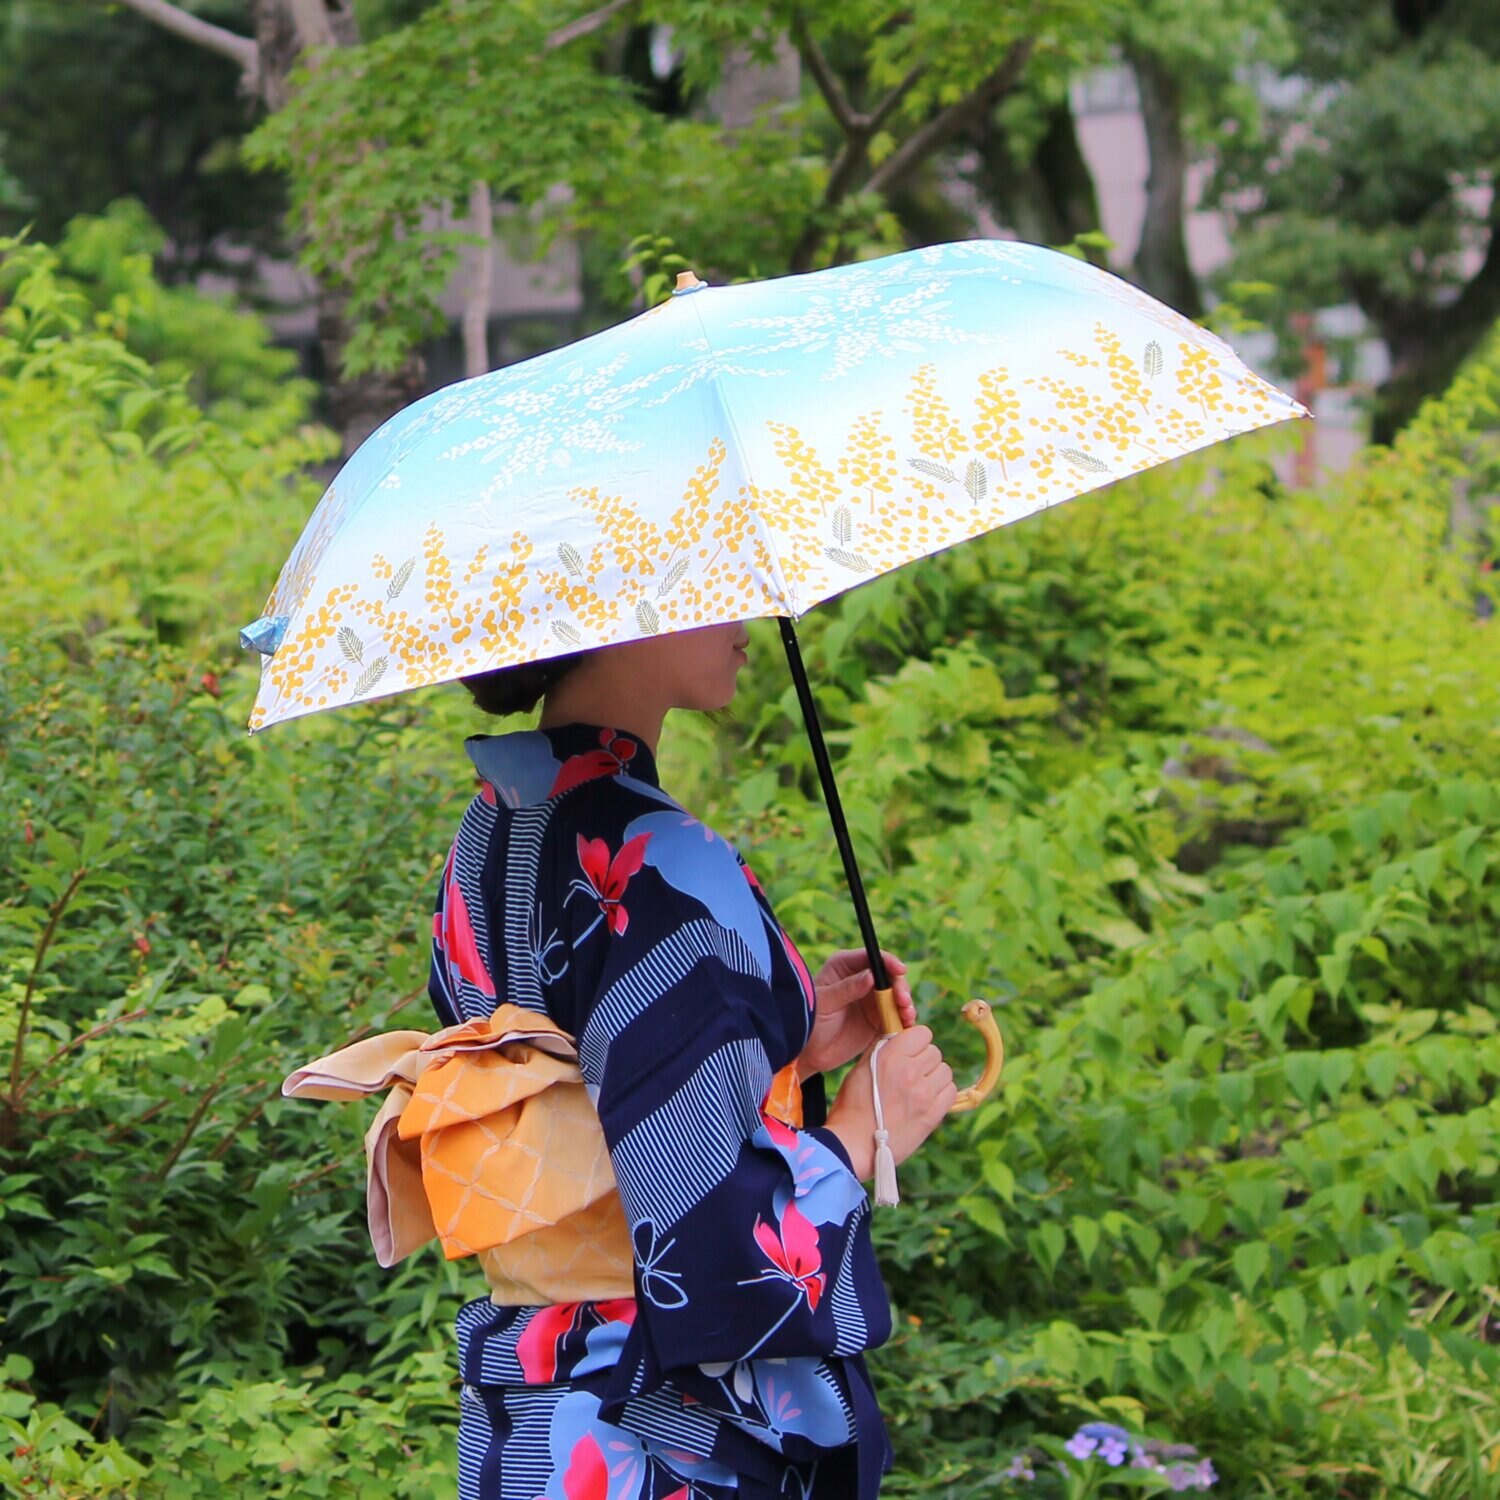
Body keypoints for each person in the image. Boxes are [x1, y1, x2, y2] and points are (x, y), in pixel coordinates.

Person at [434, 619, 956, 1500]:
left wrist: (782, 1032)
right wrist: (868, 1132)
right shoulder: (662, 858)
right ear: (623, 606)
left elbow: (603, 1077)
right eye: (711, 593)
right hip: (658, 1435)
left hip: (540, 1419)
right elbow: (704, 1220)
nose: (745, 620)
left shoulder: (494, 826)